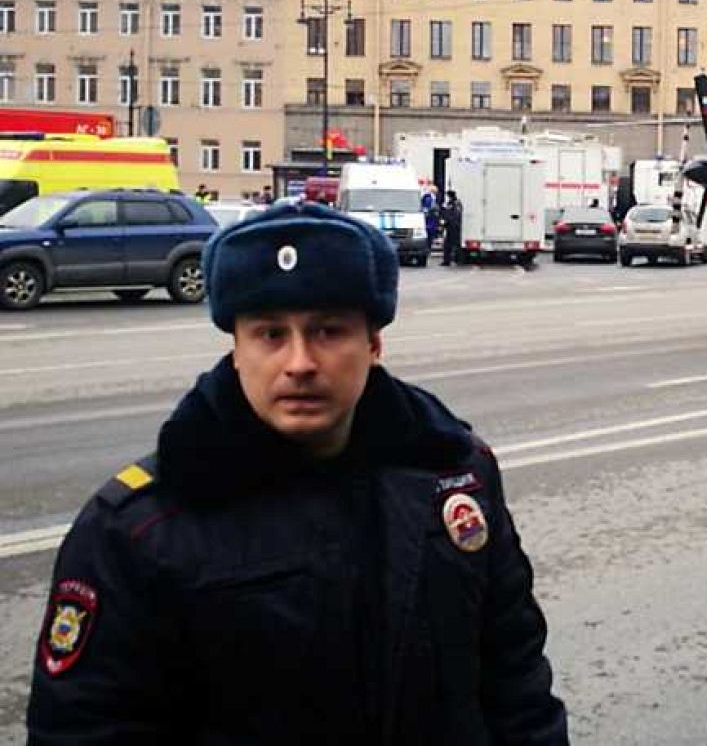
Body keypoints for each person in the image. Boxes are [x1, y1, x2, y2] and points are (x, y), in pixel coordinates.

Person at [26, 202, 569, 744]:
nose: (300, 362)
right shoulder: (138, 529)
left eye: (328, 331)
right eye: (270, 335)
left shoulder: (454, 477)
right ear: (235, 349)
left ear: (374, 344)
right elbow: (85, 729)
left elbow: (516, 684)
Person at [441, 190, 463, 267]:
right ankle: (448, 260)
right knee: (448, 244)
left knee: (453, 245)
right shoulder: (452, 204)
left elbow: (454, 216)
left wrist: (447, 221)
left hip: (454, 227)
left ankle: (455, 260)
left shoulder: (455, 204)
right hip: (451, 227)